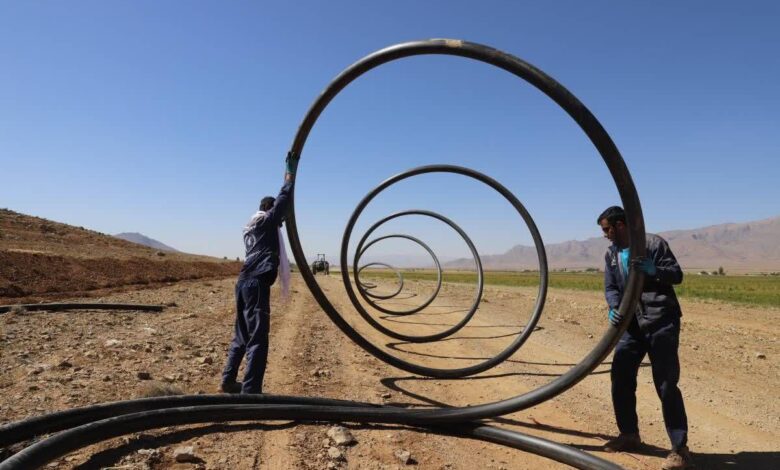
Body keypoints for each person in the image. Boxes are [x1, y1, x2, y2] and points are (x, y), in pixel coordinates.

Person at [597, 206, 692, 470]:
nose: (605, 235)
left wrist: (655, 271)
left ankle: (679, 449)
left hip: (661, 321)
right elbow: (611, 287)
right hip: (631, 324)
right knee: (621, 375)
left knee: (666, 384)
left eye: (607, 229)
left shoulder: (653, 244)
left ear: (620, 225)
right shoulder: (612, 254)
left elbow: (677, 275)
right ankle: (629, 434)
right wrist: (614, 306)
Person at [220, 153, 298, 394]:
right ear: (270, 209)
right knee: (258, 338)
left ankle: (228, 380)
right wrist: (289, 172)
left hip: (244, 283)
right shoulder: (265, 222)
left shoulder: (252, 226)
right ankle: (251, 391)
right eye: (280, 216)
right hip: (255, 284)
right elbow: (284, 197)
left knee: (242, 334)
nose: (282, 221)